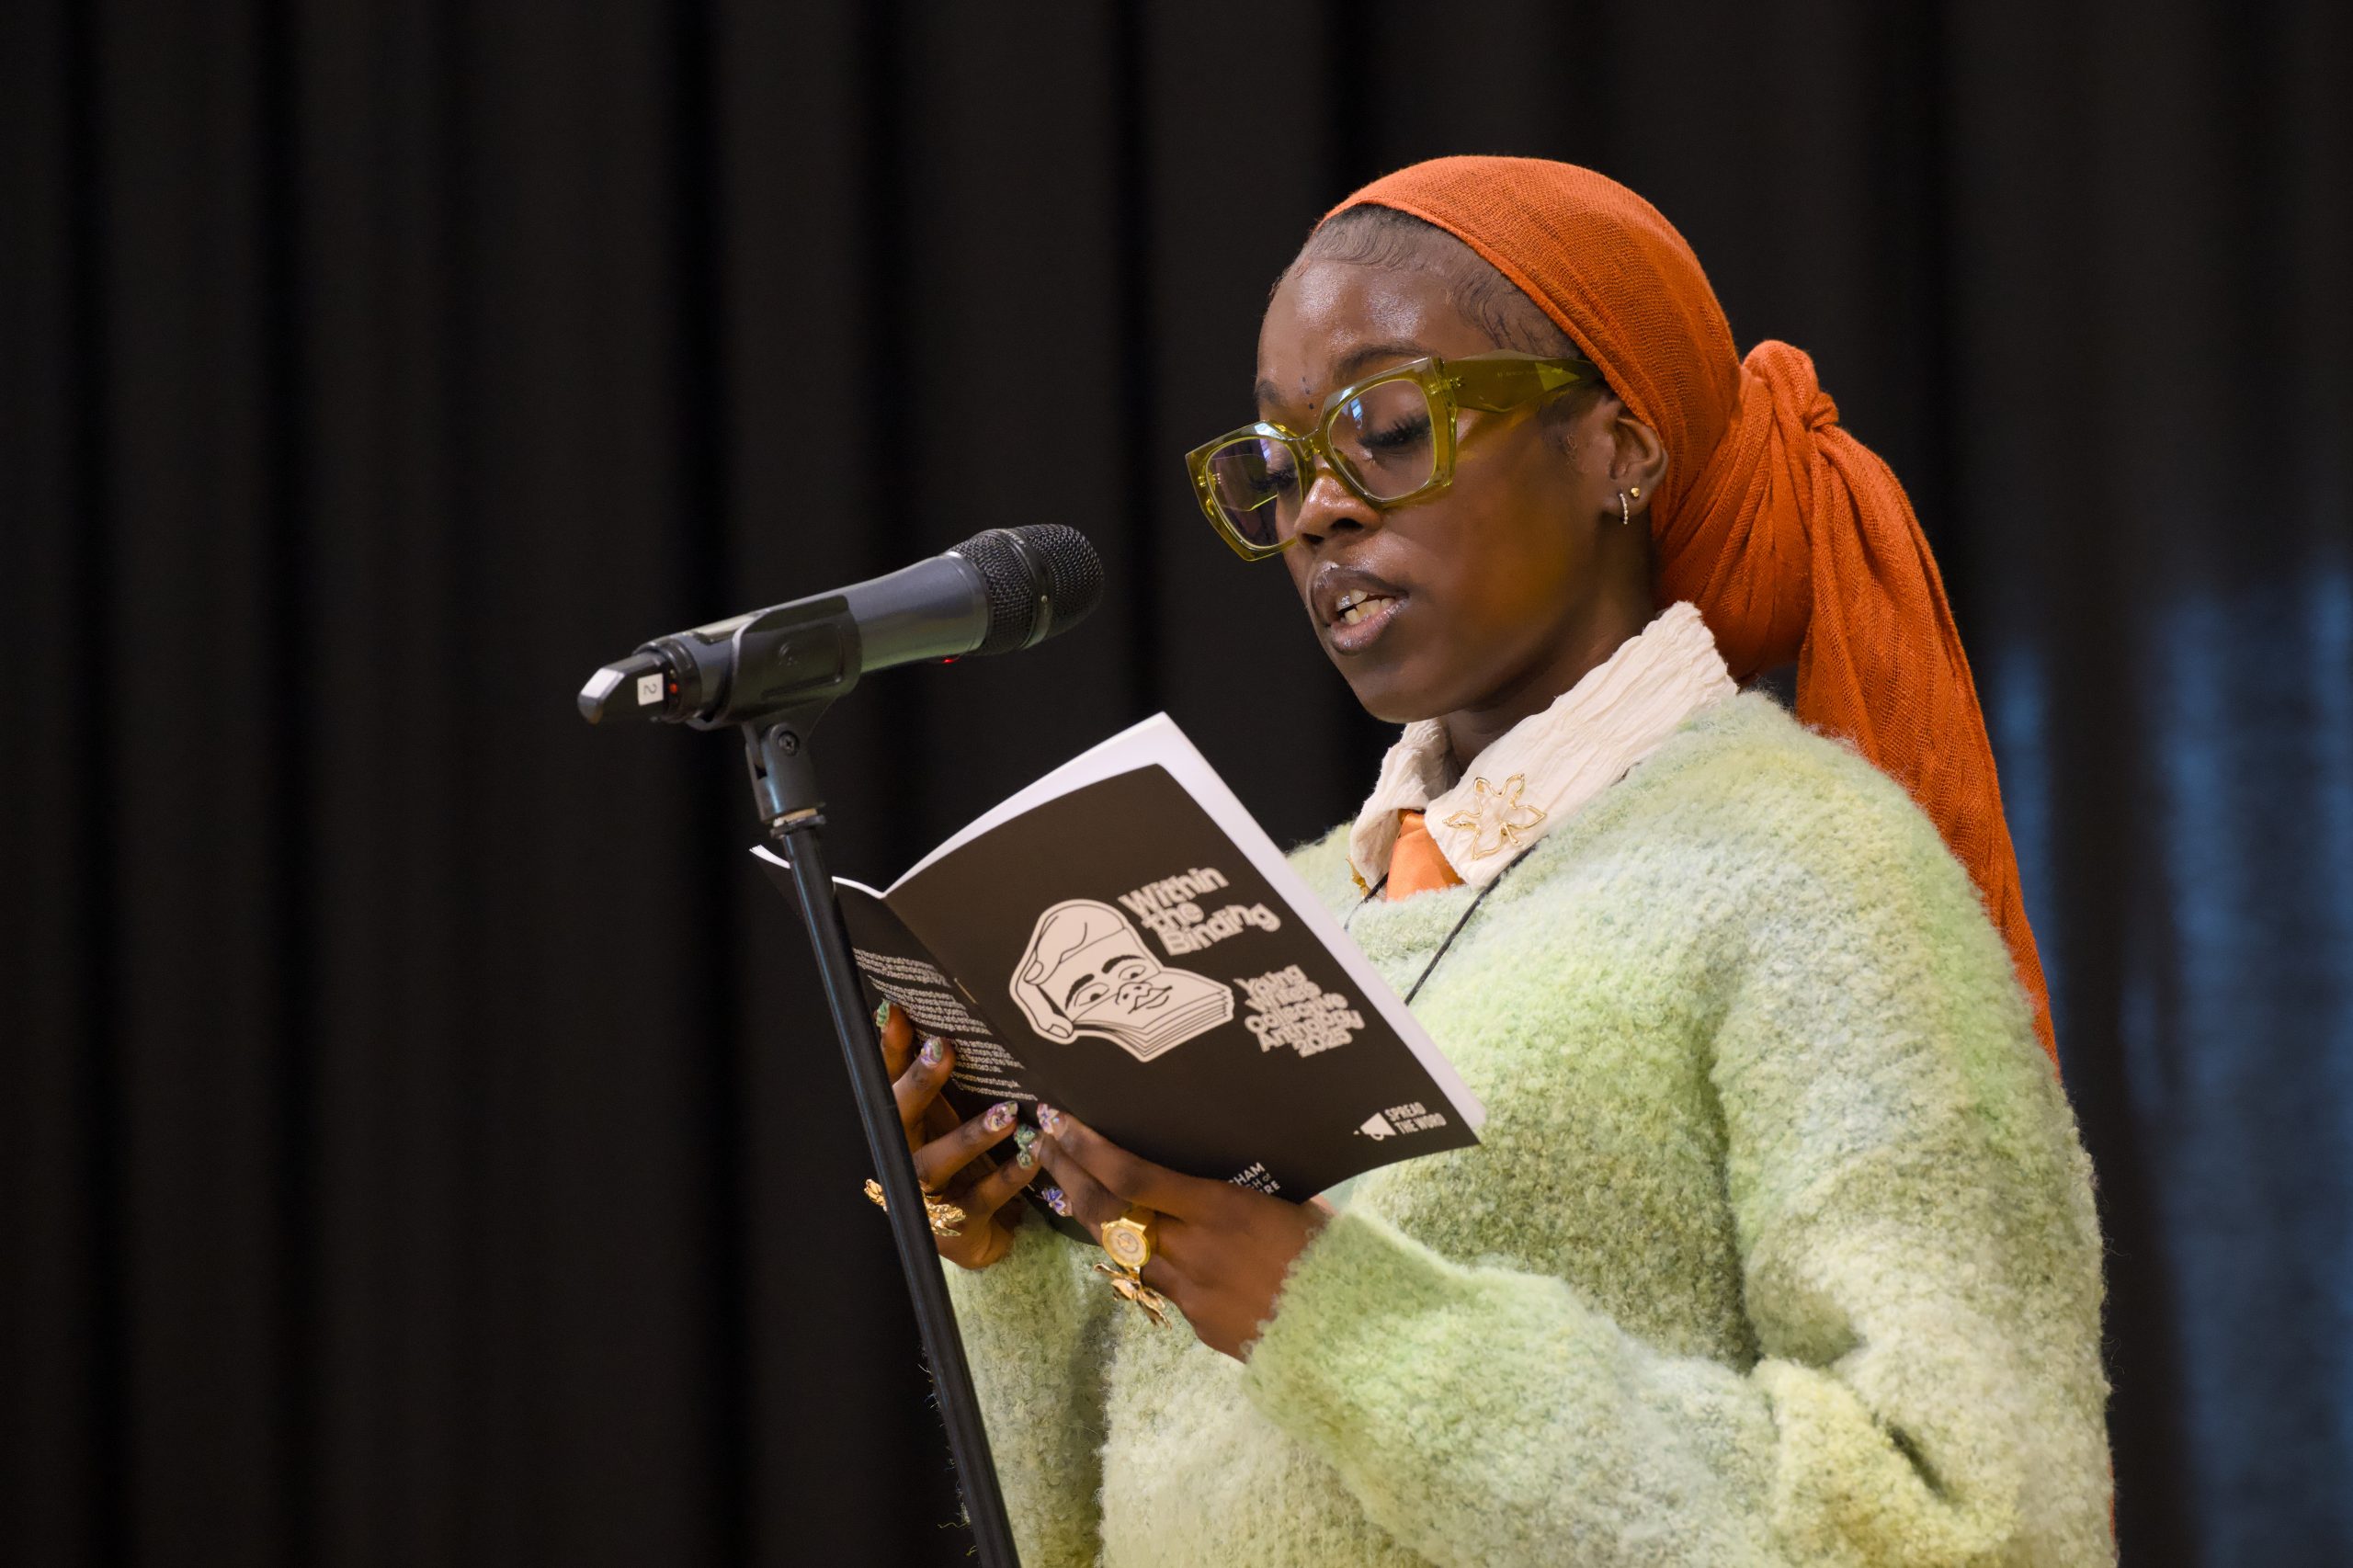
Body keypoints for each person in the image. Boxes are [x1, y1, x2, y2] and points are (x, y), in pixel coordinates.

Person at [872, 156, 2110, 1565]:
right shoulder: (1275, 907)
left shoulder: (1812, 870)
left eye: (1389, 426)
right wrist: (1011, 1252)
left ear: (1619, 451)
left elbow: (1981, 1517)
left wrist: (1341, 1319)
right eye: (1280, 466)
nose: (1321, 510)